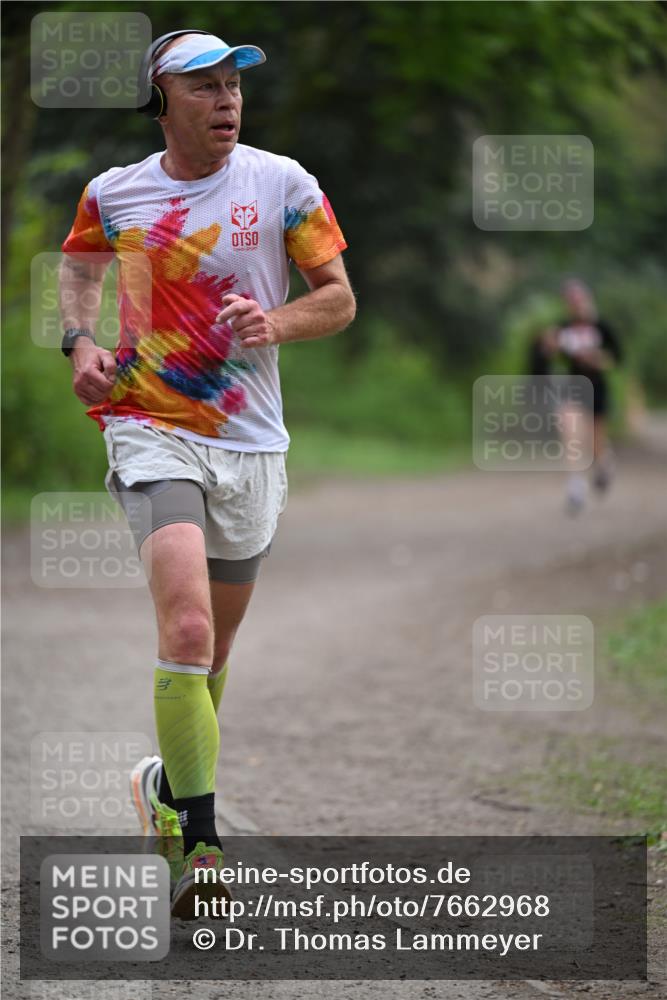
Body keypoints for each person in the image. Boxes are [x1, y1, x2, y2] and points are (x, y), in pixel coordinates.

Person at [59, 29, 355, 917]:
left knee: (213, 654)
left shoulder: (282, 184)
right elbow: (76, 268)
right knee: (185, 630)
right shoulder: (115, 193)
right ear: (163, 101)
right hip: (151, 424)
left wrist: (276, 321)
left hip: (251, 441)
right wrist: (78, 339)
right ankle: (201, 847)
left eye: (233, 86)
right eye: (204, 88)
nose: (226, 101)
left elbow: (336, 297)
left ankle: (162, 785)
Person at [530, 279, 621, 515]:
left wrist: (598, 359)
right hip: (574, 386)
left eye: (579, 300)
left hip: (597, 387)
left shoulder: (602, 327)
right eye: (571, 301)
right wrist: (546, 347)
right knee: (570, 433)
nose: (576, 305)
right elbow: (542, 358)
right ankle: (576, 486)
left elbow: (617, 358)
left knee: (595, 442)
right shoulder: (562, 328)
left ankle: (603, 465)